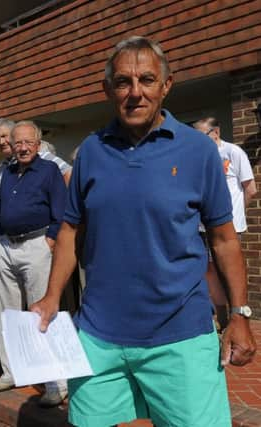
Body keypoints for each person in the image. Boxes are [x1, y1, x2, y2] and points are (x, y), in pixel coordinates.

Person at [31, 36, 256, 426]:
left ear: (166, 86)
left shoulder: (197, 151)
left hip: (181, 334)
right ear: (107, 89)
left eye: (147, 80)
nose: (135, 93)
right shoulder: (91, 152)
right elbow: (69, 230)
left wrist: (239, 314)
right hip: (99, 335)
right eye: (123, 82)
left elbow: (224, 240)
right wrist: (52, 297)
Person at [0, 120, 69, 407]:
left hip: (36, 246)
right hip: (6, 247)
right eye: (17, 142)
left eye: (27, 143)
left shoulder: (49, 171)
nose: (21, 147)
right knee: (6, 314)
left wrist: (49, 242)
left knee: (41, 314)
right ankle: (11, 371)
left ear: (37, 144)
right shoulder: (7, 171)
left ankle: (55, 383)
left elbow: (61, 213)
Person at [193, 117, 258, 331]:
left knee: (229, 270)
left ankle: (237, 317)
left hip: (228, 227)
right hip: (203, 227)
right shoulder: (199, 158)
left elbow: (250, 189)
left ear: (215, 132)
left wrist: (236, 216)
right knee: (210, 270)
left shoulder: (233, 152)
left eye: (200, 135)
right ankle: (221, 318)